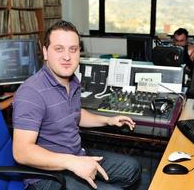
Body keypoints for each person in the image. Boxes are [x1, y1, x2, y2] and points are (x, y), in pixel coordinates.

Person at [12, 20, 141, 190]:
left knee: (132, 169)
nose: (67, 56)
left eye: (73, 49)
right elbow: (21, 152)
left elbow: (75, 113)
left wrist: (108, 120)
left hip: (75, 156)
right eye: (59, 49)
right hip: (46, 177)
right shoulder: (31, 92)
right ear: (45, 52)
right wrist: (72, 162)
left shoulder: (72, 81)